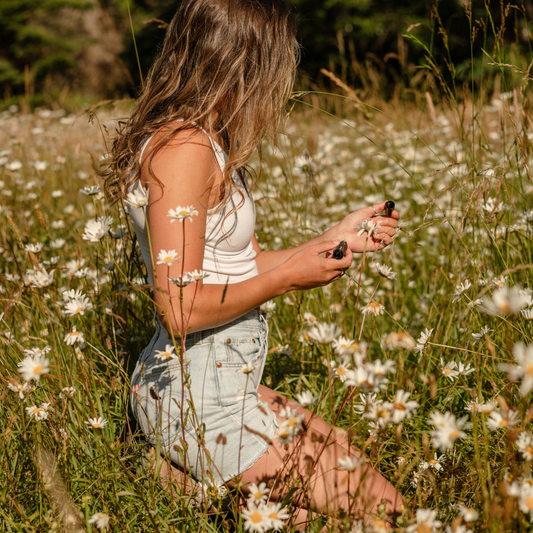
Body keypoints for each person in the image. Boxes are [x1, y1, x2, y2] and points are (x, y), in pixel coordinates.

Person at [103, 0, 403, 528]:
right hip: (197, 397)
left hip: (223, 382)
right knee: (383, 511)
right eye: (280, 64)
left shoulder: (208, 143)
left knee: (344, 461)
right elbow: (179, 308)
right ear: (245, 63)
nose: (284, 82)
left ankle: (191, 484)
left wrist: (334, 240)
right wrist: (287, 278)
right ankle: (179, 469)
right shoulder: (184, 149)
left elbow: (238, 266)